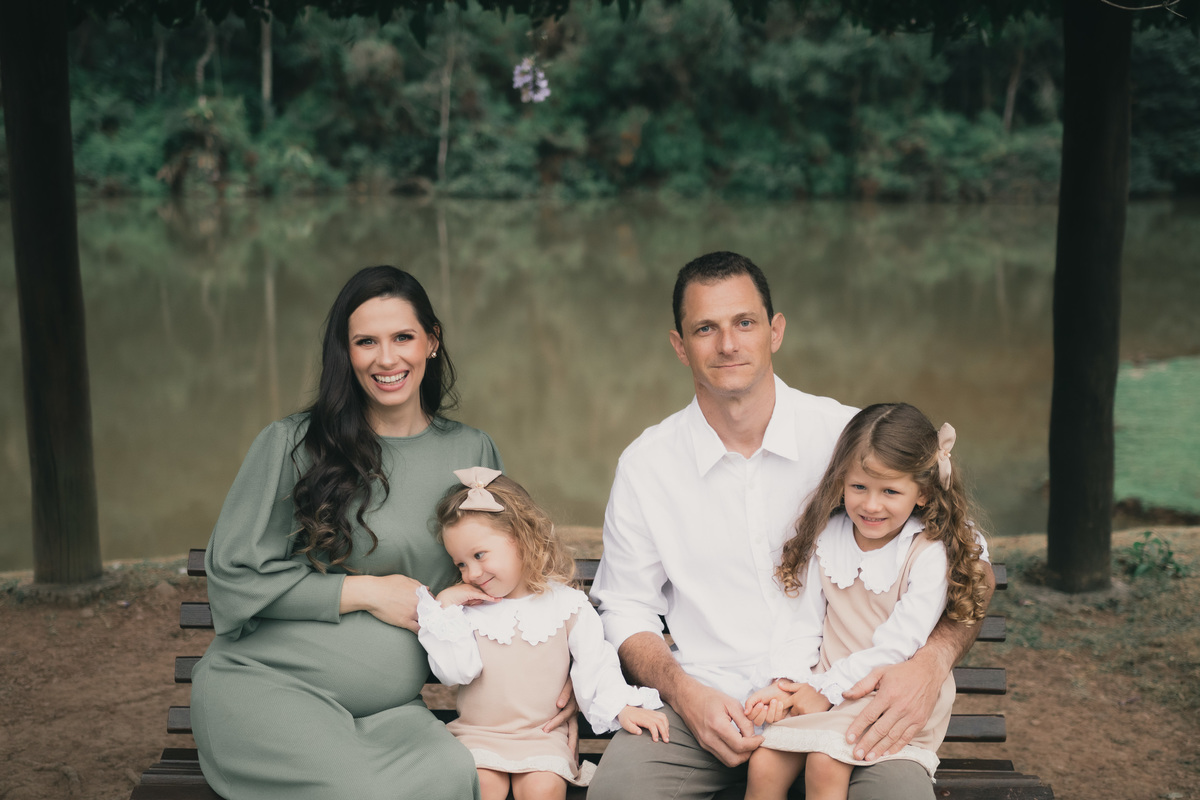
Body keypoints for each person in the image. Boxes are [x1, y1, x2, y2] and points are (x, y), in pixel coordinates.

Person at [587, 251, 996, 800]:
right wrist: (684, 694)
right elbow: (625, 607)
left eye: (745, 323)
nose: (727, 344)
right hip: (707, 703)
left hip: (846, 702)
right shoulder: (647, 465)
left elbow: (971, 559)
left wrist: (931, 662)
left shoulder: (847, 437)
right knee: (619, 792)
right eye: (705, 328)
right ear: (680, 346)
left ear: (775, 331)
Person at [189, 266, 574, 800]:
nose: (386, 359)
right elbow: (234, 579)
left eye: (403, 337)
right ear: (345, 353)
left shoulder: (472, 452)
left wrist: (560, 667)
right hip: (267, 683)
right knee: (354, 790)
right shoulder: (291, 444)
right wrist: (367, 592)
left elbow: (511, 579)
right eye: (366, 342)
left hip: (392, 711)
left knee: (453, 777)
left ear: (432, 342)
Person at [743, 404, 990, 800]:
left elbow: (898, 645)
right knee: (765, 764)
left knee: (825, 763)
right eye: (859, 487)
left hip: (886, 694)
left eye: (890, 491)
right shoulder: (828, 537)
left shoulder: (928, 553)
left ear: (923, 493)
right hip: (826, 687)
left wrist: (825, 690)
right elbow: (805, 623)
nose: (871, 505)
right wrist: (788, 684)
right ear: (841, 481)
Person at [416, 467, 669, 800]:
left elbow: (595, 664)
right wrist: (446, 607)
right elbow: (457, 672)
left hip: (543, 737)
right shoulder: (467, 610)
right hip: (478, 735)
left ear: (521, 539)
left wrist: (623, 707)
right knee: (483, 786)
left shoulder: (567, 606)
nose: (472, 573)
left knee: (543, 789)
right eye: (461, 564)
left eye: (479, 555)